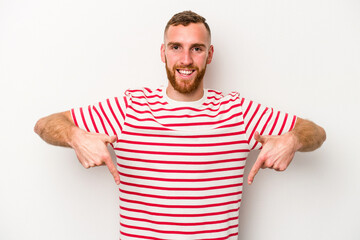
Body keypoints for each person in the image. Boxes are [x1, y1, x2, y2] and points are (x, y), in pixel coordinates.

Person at [34, 10, 326, 240]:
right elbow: (45, 124)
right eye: (176, 47)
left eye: (197, 48)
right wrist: (75, 136)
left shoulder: (237, 111)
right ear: (163, 53)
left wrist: (292, 140)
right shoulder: (129, 107)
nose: (185, 59)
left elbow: (315, 132)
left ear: (209, 55)